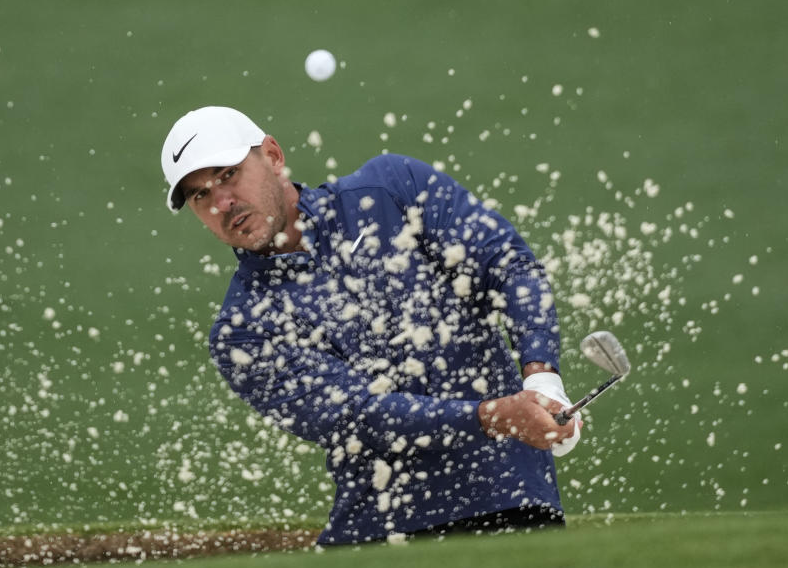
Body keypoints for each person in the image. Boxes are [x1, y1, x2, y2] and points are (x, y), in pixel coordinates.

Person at [160, 106, 582, 545]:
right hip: (380, 535)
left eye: (228, 174)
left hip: (509, 501)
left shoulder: (390, 187)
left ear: (272, 155)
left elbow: (509, 267)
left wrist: (543, 378)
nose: (221, 203)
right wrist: (495, 418)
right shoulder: (241, 331)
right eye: (199, 196)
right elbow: (362, 416)